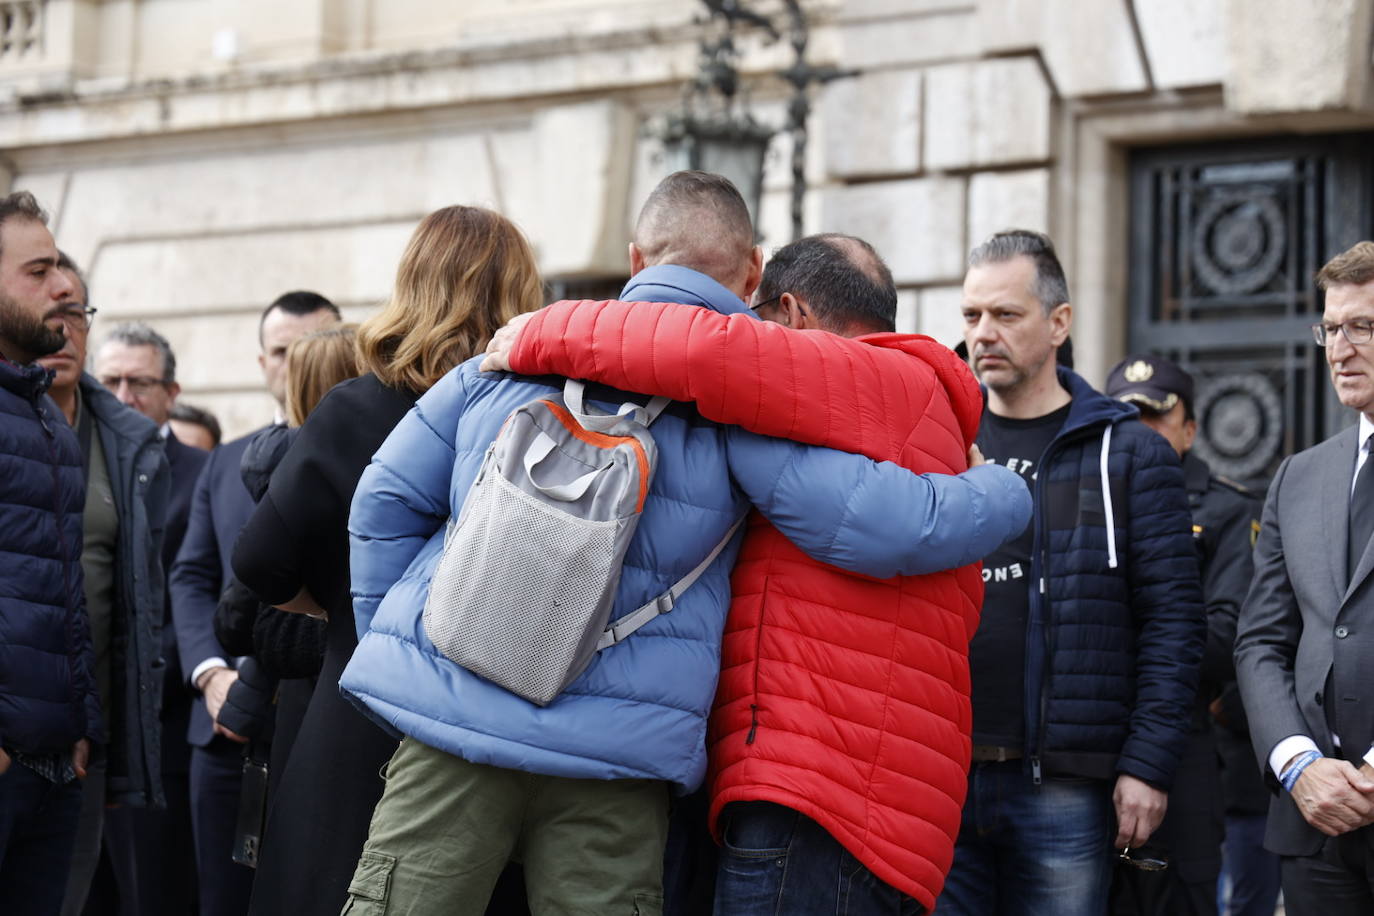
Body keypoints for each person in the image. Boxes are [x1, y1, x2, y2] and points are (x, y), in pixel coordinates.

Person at [339, 175, 1029, 913]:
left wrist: (426, 664)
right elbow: (872, 523)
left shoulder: (504, 362)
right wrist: (1000, 490)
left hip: (452, 732)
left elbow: (382, 503)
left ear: (638, 257)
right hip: (614, 761)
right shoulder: (740, 417)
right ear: (755, 273)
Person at [231, 209, 543, 916]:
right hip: (502, 729)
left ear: (410, 285)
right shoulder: (551, 408)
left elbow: (259, 565)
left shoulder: (355, 408)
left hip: (359, 714)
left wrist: (339, 601)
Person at [936, 229, 1205, 916]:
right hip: (940, 776)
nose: (983, 334)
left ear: (1059, 323)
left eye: (1005, 314)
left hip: (1065, 786)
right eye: (971, 317)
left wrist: (1146, 764)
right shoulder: (934, 441)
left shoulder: (1131, 453)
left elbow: (1174, 623)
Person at [169, 290, 340, 916]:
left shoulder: (366, 455)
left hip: (311, 723)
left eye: (308, 350)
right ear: (260, 360)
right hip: (219, 730)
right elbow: (191, 577)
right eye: (279, 352)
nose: (293, 365)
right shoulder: (226, 461)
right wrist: (210, 671)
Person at [1235, 240, 1374, 915]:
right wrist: (1298, 765)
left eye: (1365, 327)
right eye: (1331, 328)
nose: (1340, 349)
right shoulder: (1299, 475)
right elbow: (1260, 640)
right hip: (1312, 824)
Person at [34, 261, 172, 916]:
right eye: (43, 312)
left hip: (85, 739)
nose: (59, 331)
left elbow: (137, 603)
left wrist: (114, 733)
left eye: (74, 316)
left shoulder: (128, 442)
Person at [1105, 354, 1261, 916]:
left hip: (1186, 752)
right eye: (1126, 418)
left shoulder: (1226, 509)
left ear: (1188, 430)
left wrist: (1115, 636)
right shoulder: (1090, 502)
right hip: (1091, 752)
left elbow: (1227, 636)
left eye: (1155, 418)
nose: (1139, 433)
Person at [0, 190, 99, 915]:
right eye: (39, 271)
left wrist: (79, 725)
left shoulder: (43, 414)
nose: (65, 286)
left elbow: (61, 594)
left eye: (60, 266)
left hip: (51, 765)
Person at [94, 319, 209, 916]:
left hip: (160, 731)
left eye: (138, 382)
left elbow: (195, 597)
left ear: (171, 391)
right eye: (109, 380)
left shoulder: (202, 473)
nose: (122, 397)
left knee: (154, 892)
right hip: (74, 727)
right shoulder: (72, 464)